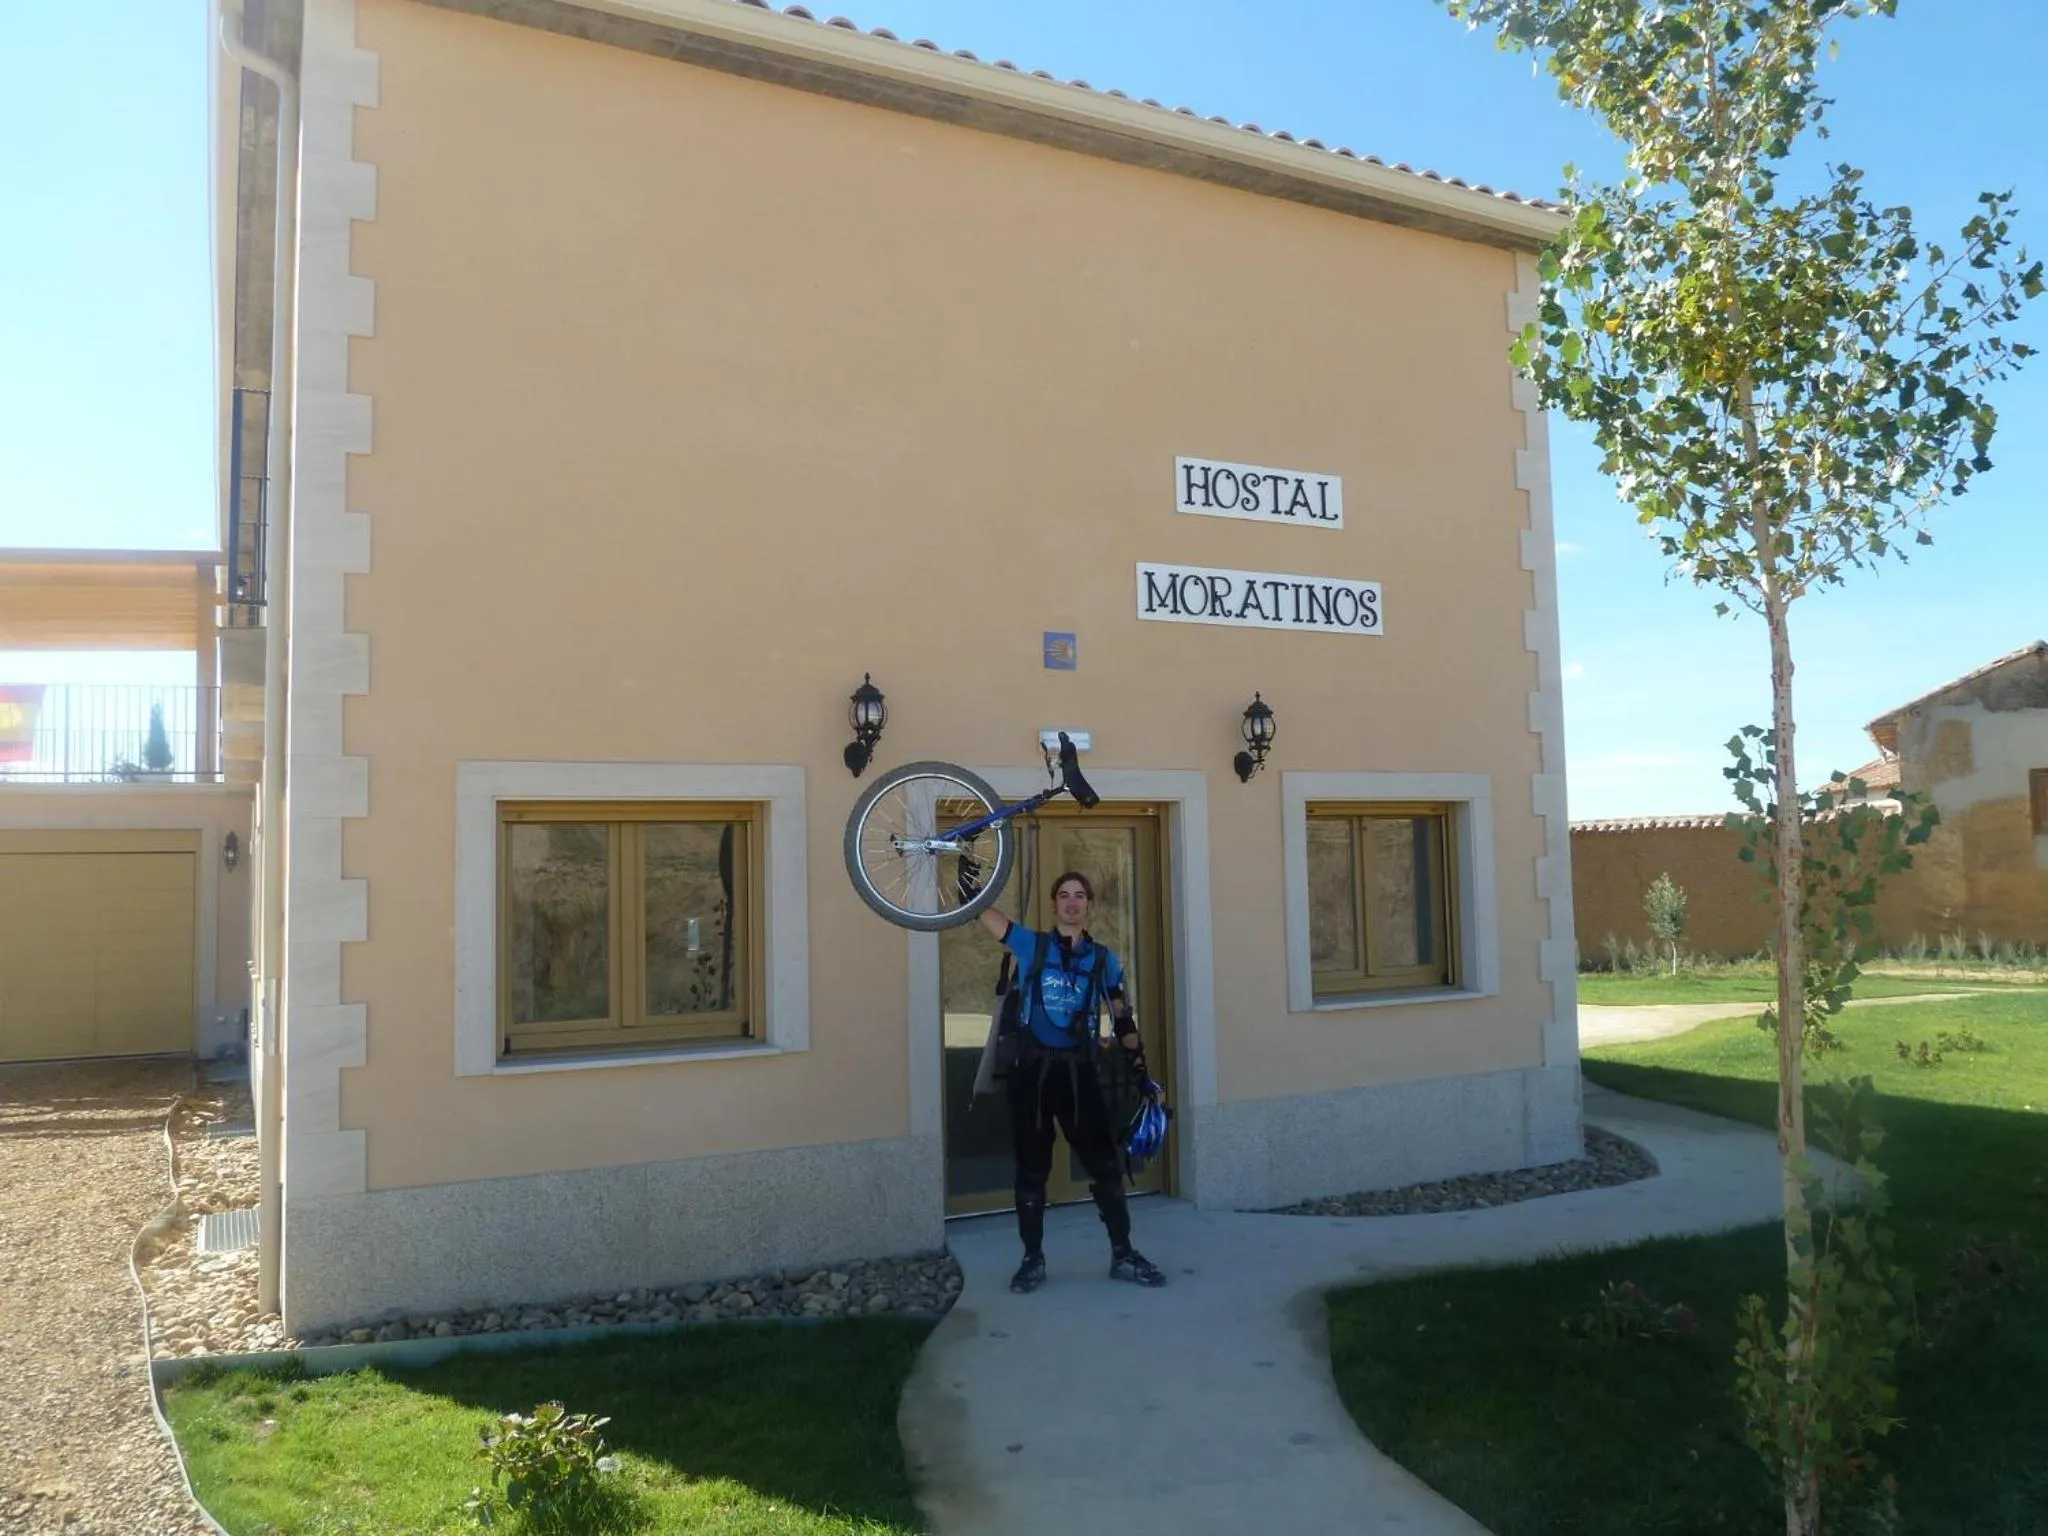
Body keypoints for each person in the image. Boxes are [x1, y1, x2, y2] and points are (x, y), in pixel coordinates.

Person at [976, 870, 1167, 1293]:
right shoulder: (1031, 945)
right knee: (1031, 1170)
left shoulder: (1103, 960)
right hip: (1032, 1075)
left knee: (1105, 1166)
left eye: (1080, 895)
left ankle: (1123, 1254)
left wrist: (1142, 1075)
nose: (1072, 902)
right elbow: (987, 918)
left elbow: (1122, 1021)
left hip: (1079, 1075)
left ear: (1090, 905)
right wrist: (969, 879)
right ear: (1054, 905)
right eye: (1064, 895)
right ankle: (1032, 1260)